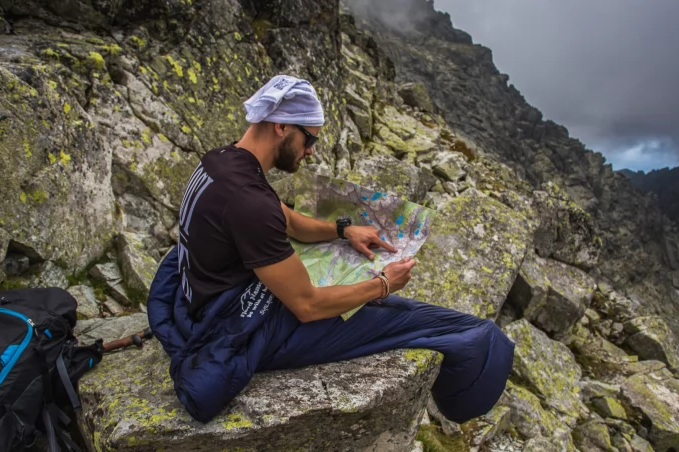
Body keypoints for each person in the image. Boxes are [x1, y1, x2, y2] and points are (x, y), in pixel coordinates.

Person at [147, 75, 515, 426]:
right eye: (310, 141)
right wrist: (383, 285)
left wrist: (343, 230)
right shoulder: (249, 200)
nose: (309, 152)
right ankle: (469, 385)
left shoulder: (223, 160)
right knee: (416, 321)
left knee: (390, 306)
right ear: (281, 126)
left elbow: (289, 222)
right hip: (233, 317)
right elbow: (307, 306)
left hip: (203, 294)